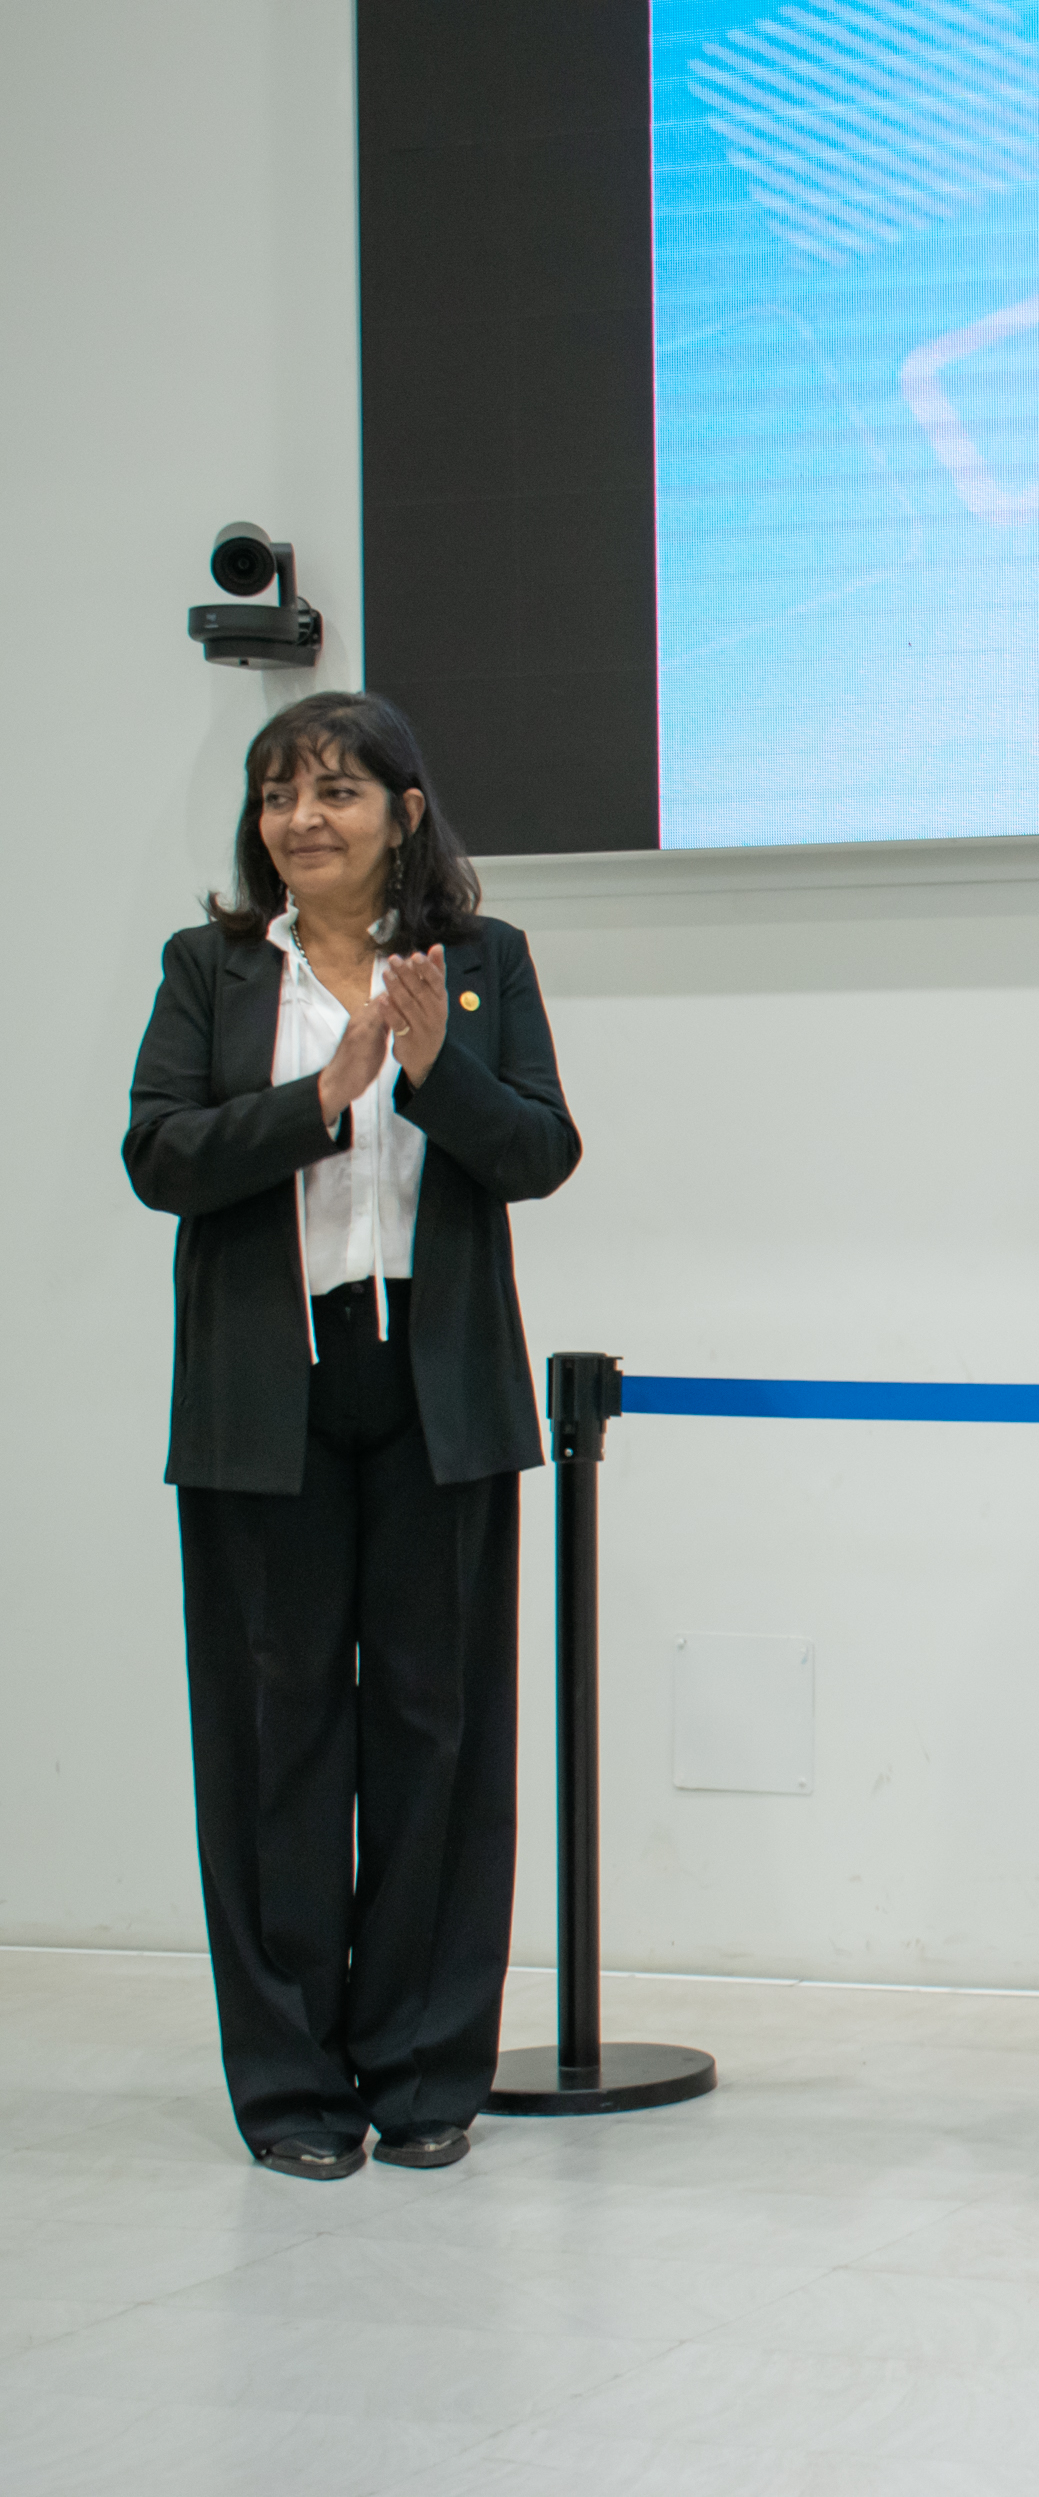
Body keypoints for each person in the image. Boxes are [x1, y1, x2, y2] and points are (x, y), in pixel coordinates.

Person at [122, 691, 582, 2180]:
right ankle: (292, 2091)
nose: (300, 818)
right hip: (271, 1397)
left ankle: (424, 2072)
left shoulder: (481, 962)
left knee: (438, 1737)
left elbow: (540, 1151)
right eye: (277, 793)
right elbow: (160, 1157)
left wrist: (436, 1067)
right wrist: (319, 1101)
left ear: (403, 810)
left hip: (432, 1390)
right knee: (277, 1744)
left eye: (334, 790)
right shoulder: (210, 968)